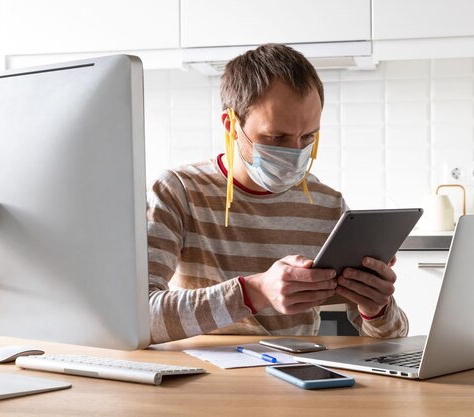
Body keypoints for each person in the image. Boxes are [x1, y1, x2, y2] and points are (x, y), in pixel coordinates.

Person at [147, 43, 408, 344]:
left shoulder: (327, 206)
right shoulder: (178, 192)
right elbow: (140, 318)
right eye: (276, 137)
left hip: (297, 378)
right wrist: (254, 291)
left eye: (308, 136)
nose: (295, 153)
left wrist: (376, 309)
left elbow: (392, 342)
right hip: (206, 383)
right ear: (231, 125)